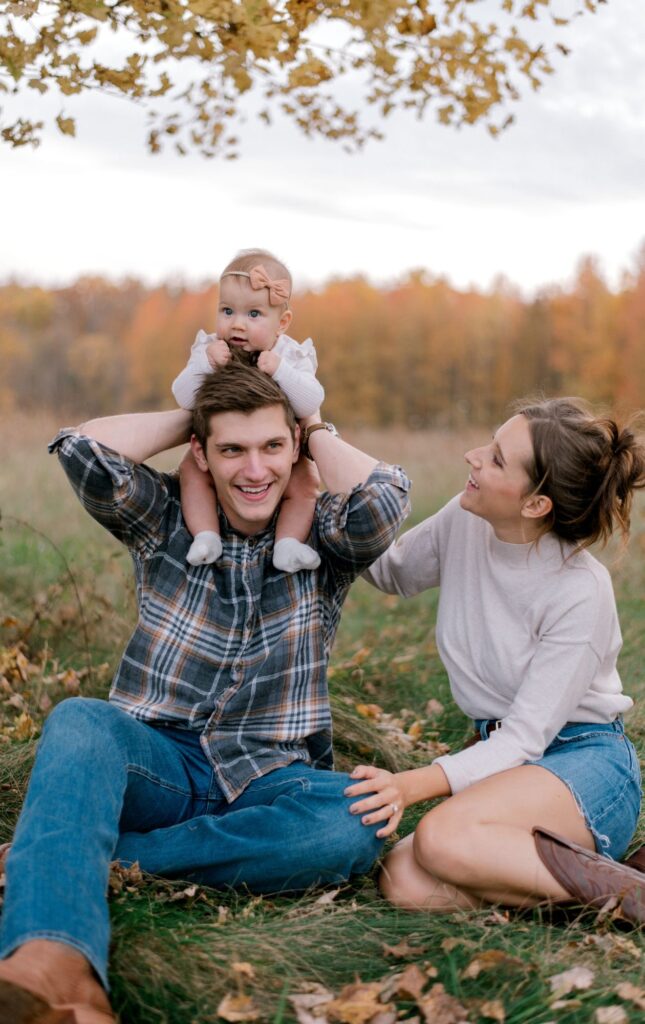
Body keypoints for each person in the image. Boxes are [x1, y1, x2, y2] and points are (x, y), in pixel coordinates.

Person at [0, 362, 410, 1022]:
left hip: (270, 775)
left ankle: (81, 849)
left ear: (294, 448)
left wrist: (312, 428)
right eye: (232, 449)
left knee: (355, 820)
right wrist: (192, 412)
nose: (254, 471)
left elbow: (386, 497)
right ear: (202, 452)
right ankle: (54, 965)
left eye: (271, 447)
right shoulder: (164, 518)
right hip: (159, 761)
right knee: (81, 721)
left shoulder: (322, 539)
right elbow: (82, 449)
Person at [345, 397, 644, 913]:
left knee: (441, 838)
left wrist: (408, 785)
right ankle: (597, 892)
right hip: (507, 764)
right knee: (405, 882)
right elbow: (391, 571)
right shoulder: (465, 521)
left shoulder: (578, 591)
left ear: (536, 504)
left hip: (583, 764)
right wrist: (317, 465)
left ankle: (623, 893)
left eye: (497, 459)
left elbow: (526, 738)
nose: (472, 456)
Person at [172, 247, 325, 574]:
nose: (237, 324)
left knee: (306, 484)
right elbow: (183, 397)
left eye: (253, 315)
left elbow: (312, 402)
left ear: (282, 323)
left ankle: (287, 544)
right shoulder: (210, 347)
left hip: (286, 449)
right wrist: (206, 362)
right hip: (220, 441)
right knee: (191, 473)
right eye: (227, 311)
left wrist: (281, 371)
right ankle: (206, 535)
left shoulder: (290, 355)